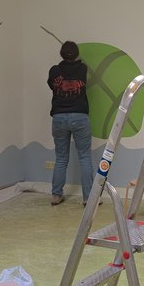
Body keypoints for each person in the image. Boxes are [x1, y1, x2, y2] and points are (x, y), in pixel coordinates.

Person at [47, 41, 95, 206]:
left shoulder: (54, 71)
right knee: (85, 157)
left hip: (59, 118)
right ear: (76, 54)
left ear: (61, 54)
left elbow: (52, 86)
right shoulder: (82, 69)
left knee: (61, 158)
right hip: (80, 116)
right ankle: (88, 198)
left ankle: (56, 195)